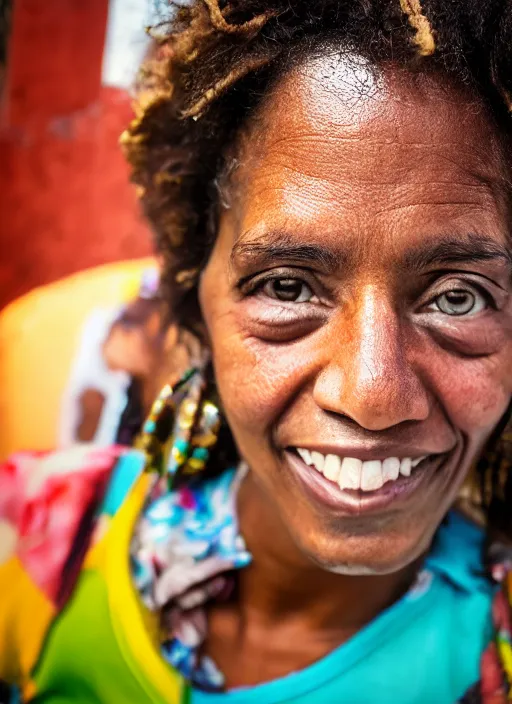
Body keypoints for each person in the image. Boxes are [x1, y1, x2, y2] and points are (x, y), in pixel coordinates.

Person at [2, 1, 512, 702]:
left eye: (458, 297)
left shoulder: (492, 662)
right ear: (195, 297)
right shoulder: (33, 547)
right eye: (288, 286)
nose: (372, 395)